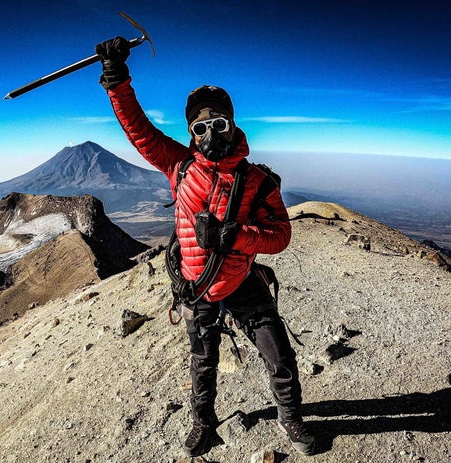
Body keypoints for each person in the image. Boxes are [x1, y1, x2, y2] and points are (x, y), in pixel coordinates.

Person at [96, 37, 316, 457]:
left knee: (280, 356)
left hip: (240, 281)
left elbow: (281, 235)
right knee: (203, 363)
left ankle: (291, 418)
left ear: (233, 126)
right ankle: (204, 424)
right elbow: (139, 131)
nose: (211, 133)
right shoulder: (178, 166)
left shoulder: (258, 181)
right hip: (196, 289)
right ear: (191, 134)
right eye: (200, 127)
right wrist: (117, 80)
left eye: (220, 124)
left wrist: (236, 236)